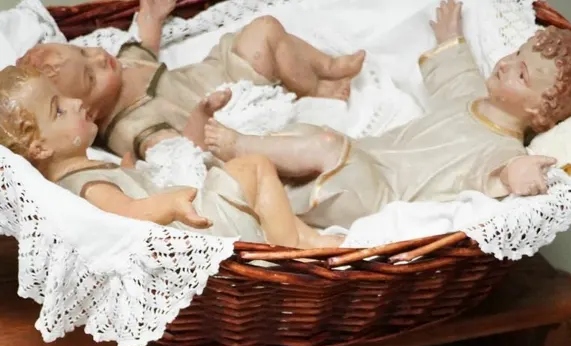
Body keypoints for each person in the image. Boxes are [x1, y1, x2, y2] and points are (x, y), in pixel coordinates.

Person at [203, 0, 571, 229]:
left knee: (325, 145)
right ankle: (254, 181)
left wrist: (522, 174)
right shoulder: (471, 95)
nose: (506, 64)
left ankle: (236, 146)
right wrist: (449, 34)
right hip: (363, 158)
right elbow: (455, 63)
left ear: (539, 113)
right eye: (514, 55)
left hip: (381, 196)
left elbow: (504, 174)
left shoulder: (500, 149)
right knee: (309, 132)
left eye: (522, 74)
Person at [0, 65, 341, 249]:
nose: (74, 102)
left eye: (63, 97)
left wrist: (128, 169)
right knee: (252, 166)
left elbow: (124, 189)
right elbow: (130, 213)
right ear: (39, 149)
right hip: (191, 231)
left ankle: (297, 238)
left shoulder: (85, 169)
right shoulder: (85, 186)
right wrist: (171, 205)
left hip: (186, 219)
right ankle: (297, 245)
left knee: (248, 179)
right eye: (58, 109)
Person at [18, 0, 365, 160]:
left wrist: (152, 14)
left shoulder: (123, 65)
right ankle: (315, 88)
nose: (98, 57)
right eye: (90, 75)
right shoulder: (129, 128)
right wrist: (201, 119)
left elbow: (145, 42)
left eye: (85, 52)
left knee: (265, 28)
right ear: (87, 113)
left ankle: (328, 66)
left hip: (221, 69)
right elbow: (180, 154)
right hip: (228, 103)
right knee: (267, 35)